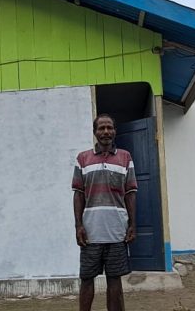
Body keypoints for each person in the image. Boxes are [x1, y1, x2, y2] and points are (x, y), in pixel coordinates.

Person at [72, 113, 137, 311]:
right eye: (101, 128)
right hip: (90, 233)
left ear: (115, 131)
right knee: (87, 278)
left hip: (117, 231)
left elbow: (130, 194)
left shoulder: (125, 157)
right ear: (95, 132)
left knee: (114, 280)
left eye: (110, 127)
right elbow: (78, 194)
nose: (106, 131)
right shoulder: (83, 158)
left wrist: (133, 224)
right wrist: (78, 226)